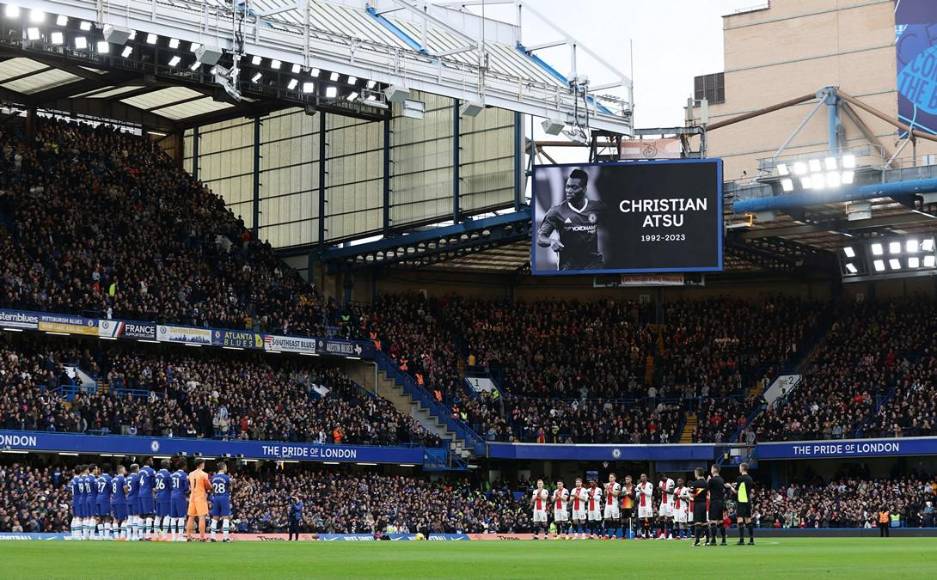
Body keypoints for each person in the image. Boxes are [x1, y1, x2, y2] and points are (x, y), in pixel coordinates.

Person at [536, 168, 605, 271]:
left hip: (594, 269)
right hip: (569, 271)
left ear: (584, 189)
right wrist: (551, 241)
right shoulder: (556, 211)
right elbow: (540, 238)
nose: (569, 191)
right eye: (567, 187)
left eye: (574, 187)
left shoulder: (597, 207)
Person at [185, 458, 211, 541]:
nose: (204, 465)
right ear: (201, 464)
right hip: (200, 496)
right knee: (202, 517)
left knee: (191, 517)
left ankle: (188, 536)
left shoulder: (191, 474)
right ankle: (202, 537)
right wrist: (210, 488)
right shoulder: (204, 474)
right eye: (203, 463)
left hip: (192, 496)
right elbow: (208, 486)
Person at [731, 462, 755, 545]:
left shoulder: (740, 478)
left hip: (741, 500)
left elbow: (736, 491)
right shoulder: (750, 478)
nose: (739, 468)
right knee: (748, 520)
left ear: (742, 468)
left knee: (740, 519)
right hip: (748, 500)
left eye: (739, 467)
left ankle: (741, 540)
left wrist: (730, 487)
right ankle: (751, 540)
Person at [707, 464, 730, 546]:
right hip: (721, 502)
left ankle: (713, 540)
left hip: (714, 502)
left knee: (713, 522)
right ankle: (723, 540)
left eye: (711, 468)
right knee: (720, 522)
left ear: (714, 469)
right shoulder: (721, 479)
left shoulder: (712, 480)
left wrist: (708, 480)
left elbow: (706, 489)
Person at [209, 462, 232, 542]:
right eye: (226, 467)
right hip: (224, 497)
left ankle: (212, 537)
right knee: (226, 517)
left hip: (215, 497)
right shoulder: (226, 477)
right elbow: (229, 488)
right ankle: (225, 537)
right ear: (223, 467)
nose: (226, 468)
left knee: (215, 518)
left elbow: (211, 488)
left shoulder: (213, 477)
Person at [170, 458, 189, 541]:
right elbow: (186, 488)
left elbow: (170, 486)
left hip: (172, 495)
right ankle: (180, 536)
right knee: (181, 517)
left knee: (173, 517)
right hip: (180, 496)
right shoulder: (184, 475)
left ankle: (174, 537)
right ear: (184, 466)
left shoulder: (172, 474)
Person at [690, 467, 709, 547]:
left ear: (697, 473)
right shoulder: (706, 483)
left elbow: (691, 494)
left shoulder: (695, 483)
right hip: (704, 504)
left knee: (698, 523)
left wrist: (693, 492)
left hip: (697, 504)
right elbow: (708, 493)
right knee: (704, 523)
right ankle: (708, 541)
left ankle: (697, 541)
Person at [139, 458, 156, 539]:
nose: (152, 461)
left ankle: (140, 535)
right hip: (147, 494)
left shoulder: (140, 471)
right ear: (147, 461)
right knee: (149, 514)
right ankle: (148, 535)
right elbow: (153, 484)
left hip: (140, 493)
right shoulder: (151, 471)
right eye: (151, 460)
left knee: (141, 515)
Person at [154, 459, 172, 539]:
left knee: (158, 516)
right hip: (166, 497)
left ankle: (156, 534)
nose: (170, 464)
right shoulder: (168, 474)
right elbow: (171, 487)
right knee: (167, 515)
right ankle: (164, 535)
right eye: (169, 463)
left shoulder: (157, 474)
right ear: (166, 465)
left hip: (158, 496)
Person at [110, 465, 129, 540]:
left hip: (114, 500)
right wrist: (128, 491)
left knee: (115, 519)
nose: (125, 470)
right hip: (121, 500)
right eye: (124, 469)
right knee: (124, 519)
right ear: (121, 470)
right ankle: (122, 536)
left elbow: (112, 490)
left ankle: (116, 536)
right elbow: (125, 489)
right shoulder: (123, 479)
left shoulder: (113, 479)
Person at [95, 465, 112, 540]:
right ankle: (107, 536)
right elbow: (112, 489)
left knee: (99, 518)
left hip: (98, 498)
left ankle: (101, 536)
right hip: (105, 499)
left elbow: (95, 488)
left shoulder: (98, 478)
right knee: (107, 517)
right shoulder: (109, 478)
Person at [636, 473, 654, 539]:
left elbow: (650, 494)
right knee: (642, 520)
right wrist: (638, 494)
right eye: (641, 477)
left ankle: (651, 534)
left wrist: (642, 490)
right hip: (641, 505)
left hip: (647, 504)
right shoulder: (638, 485)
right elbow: (636, 496)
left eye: (644, 476)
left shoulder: (650, 484)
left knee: (649, 519)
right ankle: (643, 534)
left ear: (646, 477)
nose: (642, 477)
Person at [603, 473, 621, 539]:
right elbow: (605, 495)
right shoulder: (607, 485)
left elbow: (616, 494)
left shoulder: (617, 485)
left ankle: (614, 535)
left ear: (615, 478)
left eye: (612, 477)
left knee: (615, 519)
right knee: (606, 518)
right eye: (609, 477)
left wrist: (609, 490)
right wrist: (605, 490)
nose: (610, 478)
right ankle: (607, 534)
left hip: (614, 504)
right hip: (608, 503)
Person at [657, 472, 675, 540]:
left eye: (662, 478)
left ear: (665, 476)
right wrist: (659, 491)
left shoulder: (671, 481)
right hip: (663, 502)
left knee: (669, 518)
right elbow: (660, 493)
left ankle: (670, 534)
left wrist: (662, 489)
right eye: (661, 479)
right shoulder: (660, 482)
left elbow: (671, 491)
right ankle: (662, 534)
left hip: (669, 502)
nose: (661, 480)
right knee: (661, 517)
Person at [82, 464, 98, 541]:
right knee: (93, 517)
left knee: (87, 517)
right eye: (96, 469)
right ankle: (92, 535)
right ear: (94, 470)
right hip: (93, 498)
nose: (97, 470)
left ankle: (85, 535)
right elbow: (97, 489)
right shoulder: (94, 479)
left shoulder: (86, 479)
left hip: (87, 497)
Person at [126, 464, 141, 541]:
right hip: (135, 498)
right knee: (136, 517)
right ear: (136, 469)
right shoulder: (137, 477)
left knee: (129, 517)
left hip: (129, 498)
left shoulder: (127, 478)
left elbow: (125, 489)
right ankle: (135, 535)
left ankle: (128, 536)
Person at [70, 465, 84, 540]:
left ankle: (73, 535)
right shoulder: (79, 480)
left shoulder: (72, 480)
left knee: (74, 517)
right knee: (79, 517)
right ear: (81, 472)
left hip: (73, 499)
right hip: (79, 499)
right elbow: (82, 491)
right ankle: (78, 535)